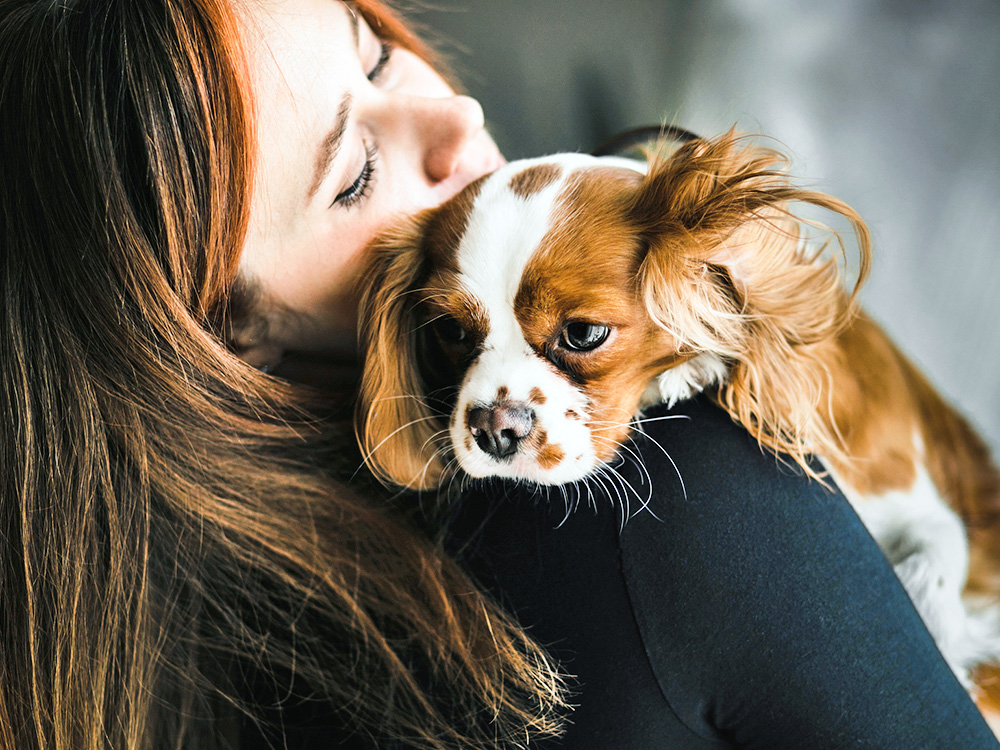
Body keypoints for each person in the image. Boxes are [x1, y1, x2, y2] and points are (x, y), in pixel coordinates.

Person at [0, 1, 996, 749]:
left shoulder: (106, 672)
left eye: (380, 53)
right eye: (353, 172)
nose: (455, 117)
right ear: (220, 338)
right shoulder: (670, 513)